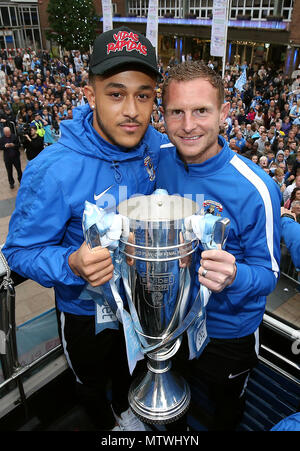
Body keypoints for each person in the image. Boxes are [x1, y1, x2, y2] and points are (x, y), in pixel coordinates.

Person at [2, 26, 169, 431]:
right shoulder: (52, 169)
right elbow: (19, 250)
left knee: (130, 368)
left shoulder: (155, 145)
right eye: (115, 93)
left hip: (138, 301)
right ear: (90, 93)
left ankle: (127, 412)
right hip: (84, 311)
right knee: (90, 382)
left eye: (143, 95)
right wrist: (72, 263)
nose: (131, 109)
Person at [156, 61, 281, 431]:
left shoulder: (257, 189)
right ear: (162, 115)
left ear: (224, 112)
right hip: (172, 321)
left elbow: (269, 275)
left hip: (229, 332)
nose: (188, 125)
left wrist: (236, 275)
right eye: (176, 112)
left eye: (201, 111)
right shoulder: (159, 158)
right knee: (176, 397)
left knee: (226, 408)